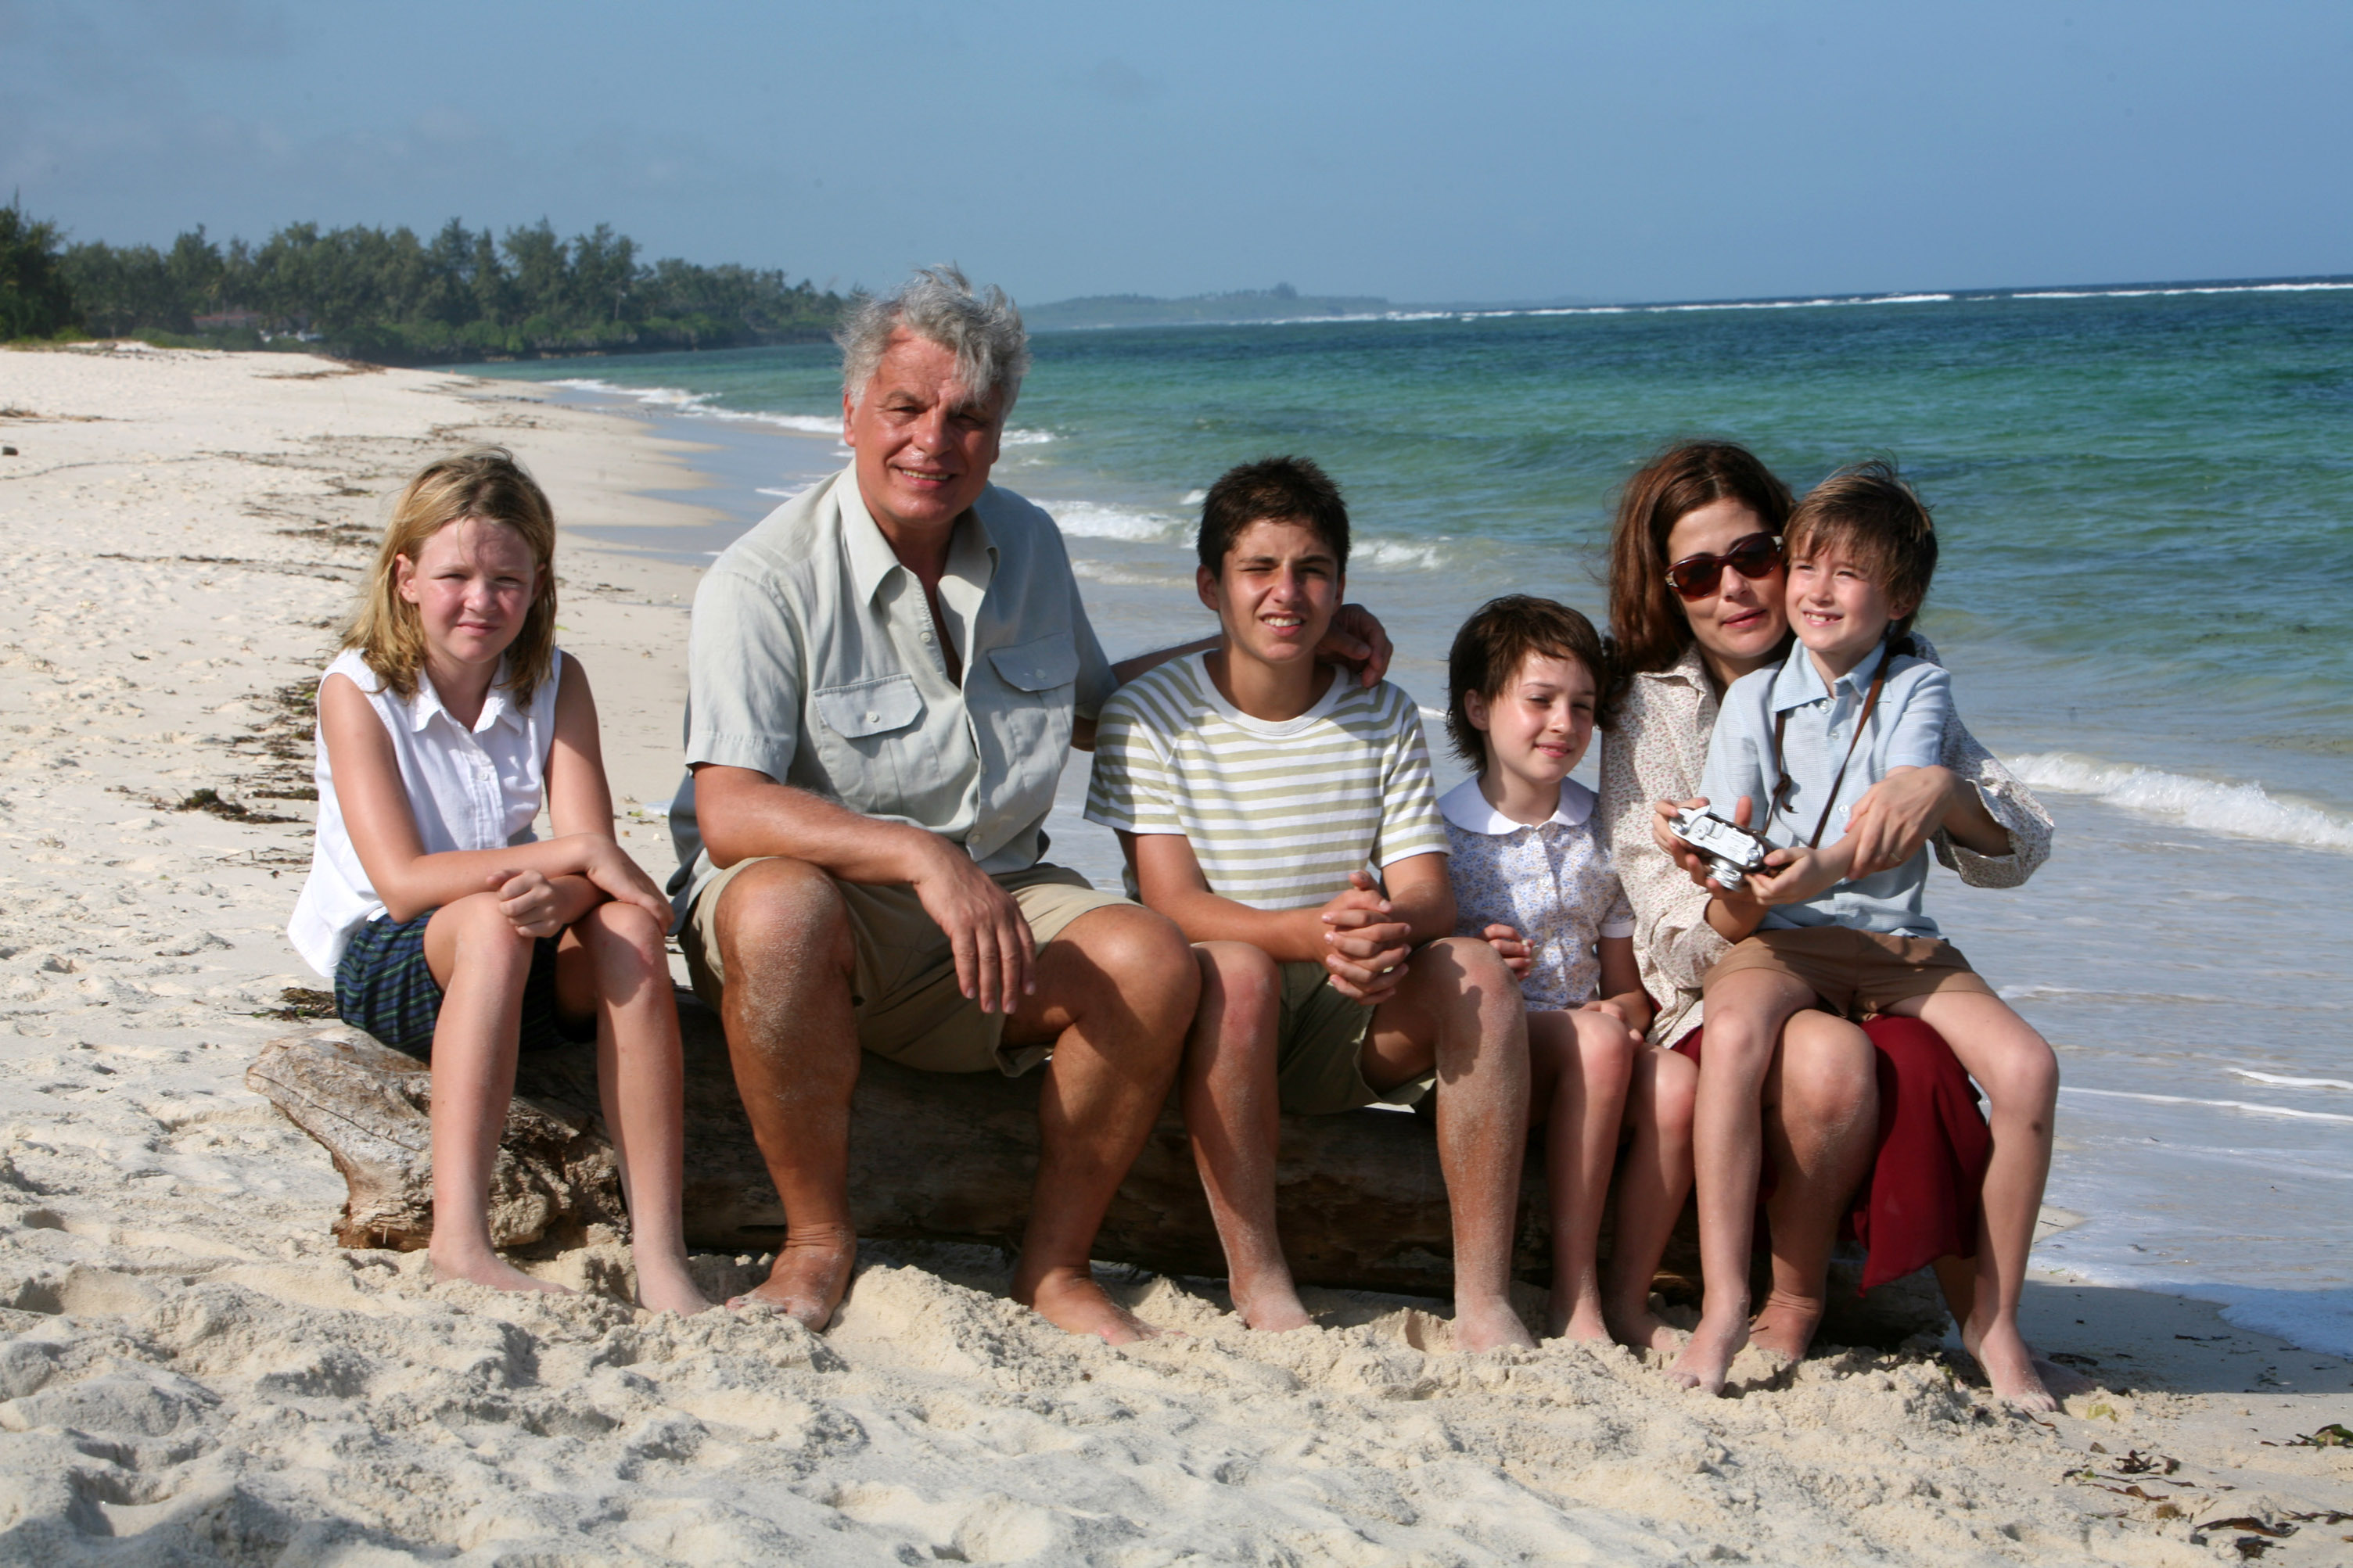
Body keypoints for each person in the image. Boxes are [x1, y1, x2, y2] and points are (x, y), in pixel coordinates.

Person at [668, 271, 1396, 1345]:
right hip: (829, 913)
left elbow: (1099, 709)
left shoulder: (1031, 542)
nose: (934, 441)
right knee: (781, 909)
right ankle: (815, 1240)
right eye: (906, 408)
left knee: (1152, 958)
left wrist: (1272, 632)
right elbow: (729, 810)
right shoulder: (761, 577)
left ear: (1000, 433)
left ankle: (1054, 1264)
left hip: (1001, 899)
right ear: (851, 414)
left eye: (967, 417)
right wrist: (920, 856)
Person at [1595, 440, 2057, 1386]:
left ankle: (1986, 1320)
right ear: (1666, 588)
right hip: (1737, 964)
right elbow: (1673, 934)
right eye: (1696, 572)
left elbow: (2018, 849)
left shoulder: (1905, 669)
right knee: (1835, 1060)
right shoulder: (1651, 706)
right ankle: (1771, 1298)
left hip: (1877, 949)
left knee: (1951, 1062)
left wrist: (1942, 792)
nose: (1734, 586)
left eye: (1753, 555)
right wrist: (1733, 884)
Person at [1083, 457, 1537, 1351]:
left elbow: (1427, 891)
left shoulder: (1382, 711)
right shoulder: (1147, 715)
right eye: (1258, 568)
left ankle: (1484, 1297)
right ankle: (1258, 1277)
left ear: (1341, 586)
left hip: (1346, 1005)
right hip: (1212, 1017)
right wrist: (1314, 931)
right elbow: (1172, 904)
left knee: (1477, 970)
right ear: (1209, 587)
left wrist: (1380, 930)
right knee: (1241, 971)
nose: (1286, 592)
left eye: (1312, 570)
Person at [288, 449, 709, 1315]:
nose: (481, 599)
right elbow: (403, 883)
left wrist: (569, 890)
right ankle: (461, 1242)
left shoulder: (555, 678)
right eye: (455, 576)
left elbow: (590, 862)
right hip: (391, 958)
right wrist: (569, 861)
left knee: (628, 931)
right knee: (486, 922)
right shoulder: (355, 688)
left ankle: (661, 1256)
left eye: (507, 579)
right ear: (406, 578)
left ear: (538, 582)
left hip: (516, 940)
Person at [1437, 595, 1679, 1342]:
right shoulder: (1441, 833)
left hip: (1590, 1060)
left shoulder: (1606, 828)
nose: (1564, 723)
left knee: (1678, 1084)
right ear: (1478, 708)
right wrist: (1471, 952)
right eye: (1539, 700)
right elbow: (1422, 978)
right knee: (1598, 1044)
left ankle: (1629, 1293)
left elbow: (1628, 991)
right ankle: (1573, 1291)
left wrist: (1620, 1012)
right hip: (1477, 1067)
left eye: (1582, 705)